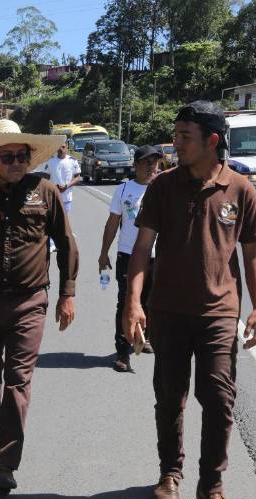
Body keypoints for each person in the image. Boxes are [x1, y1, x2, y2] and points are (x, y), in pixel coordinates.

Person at [122, 101, 256, 499]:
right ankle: (170, 473)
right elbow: (142, 248)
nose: (176, 143)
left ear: (212, 141)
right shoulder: (163, 187)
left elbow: (253, 250)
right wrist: (133, 301)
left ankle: (213, 487)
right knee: (170, 396)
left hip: (220, 311)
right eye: (176, 134)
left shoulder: (241, 190)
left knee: (219, 399)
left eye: (185, 136)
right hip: (167, 309)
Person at [0, 119, 78, 491]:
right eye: (8, 157)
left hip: (30, 301)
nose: (17, 162)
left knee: (18, 380)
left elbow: (67, 245)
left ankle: (6, 462)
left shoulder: (47, 192)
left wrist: (68, 293)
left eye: (22, 156)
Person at [98, 145, 162, 372]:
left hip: (157, 257)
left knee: (150, 301)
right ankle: (123, 351)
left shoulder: (163, 189)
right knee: (126, 302)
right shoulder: (124, 189)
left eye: (155, 162)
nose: (151, 166)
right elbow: (113, 223)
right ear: (135, 164)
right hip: (128, 255)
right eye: (146, 162)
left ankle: (143, 338)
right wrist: (104, 252)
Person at [41, 142, 81, 251]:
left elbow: (78, 177)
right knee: (52, 220)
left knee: (63, 220)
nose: (61, 149)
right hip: (53, 197)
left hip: (67, 197)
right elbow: (45, 177)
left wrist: (67, 186)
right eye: (59, 147)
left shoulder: (72, 161)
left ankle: (62, 241)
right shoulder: (51, 160)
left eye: (63, 147)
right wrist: (53, 187)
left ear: (67, 148)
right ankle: (51, 243)